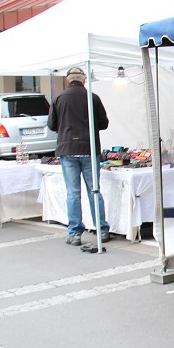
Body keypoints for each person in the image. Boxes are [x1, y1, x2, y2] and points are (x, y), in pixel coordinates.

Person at [48, 67, 110, 249]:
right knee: (95, 190)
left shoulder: (58, 98)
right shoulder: (93, 97)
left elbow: (52, 125)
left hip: (68, 150)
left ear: (68, 81)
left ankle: (75, 233)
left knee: (73, 193)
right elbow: (104, 124)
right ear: (83, 80)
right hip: (89, 149)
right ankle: (102, 230)